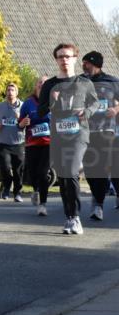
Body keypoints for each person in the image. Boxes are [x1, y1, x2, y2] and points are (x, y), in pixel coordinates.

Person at [39, 44, 98, 235]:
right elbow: (41, 112)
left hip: (79, 135)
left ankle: (76, 218)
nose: (64, 60)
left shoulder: (85, 82)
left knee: (72, 171)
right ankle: (69, 217)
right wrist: (52, 101)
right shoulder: (49, 85)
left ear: (74, 59)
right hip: (58, 137)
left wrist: (87, 112)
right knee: (64, 177)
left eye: (67, 56)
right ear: (56, 60)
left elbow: (95, 103)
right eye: (60, 57)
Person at [80, 51, 119, 221]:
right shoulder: (80, 81)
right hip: (85, 131)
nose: (83, 66)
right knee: (89, 168)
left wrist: (116, 109)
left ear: (94, 63)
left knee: (103, 166)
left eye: (86, 63)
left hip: (106, 130)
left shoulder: (112, 82)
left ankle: (98, 204)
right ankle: (97, 197)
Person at [19, 76, 52, 216]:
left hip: (49, 143)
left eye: (45, 83)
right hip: (32, 143)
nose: (42, 84)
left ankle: (43, 204)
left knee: (43, 173)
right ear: (36, 86)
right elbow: (19, 124)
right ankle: (36, 190)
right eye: (40, 82)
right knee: (32, 172)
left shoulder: (54, 102)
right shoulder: (28, 103)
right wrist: (23, 123)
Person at [0, 82, 26, 202]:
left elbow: (27, 124)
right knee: (5, 167)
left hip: (19, 142)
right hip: (4, 143)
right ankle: (7, 186)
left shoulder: (23, 107)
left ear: (17, 93)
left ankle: (17, 192)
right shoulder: (0, 107)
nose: (10, 92)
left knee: (18, 170)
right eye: (8, 90)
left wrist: (20, 120)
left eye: (12, 90)